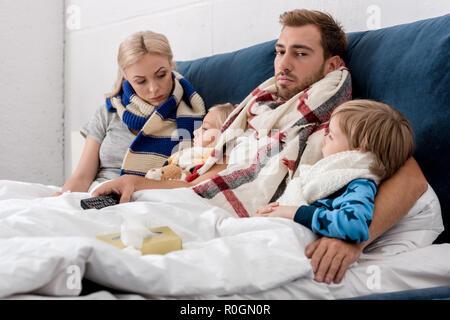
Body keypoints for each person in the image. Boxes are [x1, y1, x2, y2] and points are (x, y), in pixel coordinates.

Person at [93, 9, 428, 284]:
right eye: (280, 51)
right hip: (201, 204)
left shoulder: (342, 121)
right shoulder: (256, 112)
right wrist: (135, 183)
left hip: (246, 223)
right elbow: (201, 184)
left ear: (333, 66)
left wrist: (353, 238)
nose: (283, 64)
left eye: (300, 53)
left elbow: (411, 177)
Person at [55, 30, 205, 196]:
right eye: (140, 81)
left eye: (161, 75)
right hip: (98, 195)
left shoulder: (193, 116)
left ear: (171, 65)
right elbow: (82, 177)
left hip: (150, 199)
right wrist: (63, 201)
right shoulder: (109, 111)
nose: (153, 88)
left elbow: (196, 179)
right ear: (126, 77)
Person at [255, 100, 415, 245]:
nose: (324, 138)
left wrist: (292, 212)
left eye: (331, 136)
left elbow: (354, 226)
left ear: (358, 152)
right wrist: (274, 210)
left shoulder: (359, 184)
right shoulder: (329, 175)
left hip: (293, 237)